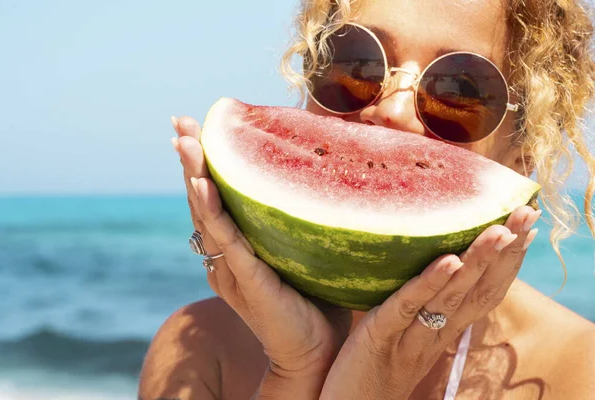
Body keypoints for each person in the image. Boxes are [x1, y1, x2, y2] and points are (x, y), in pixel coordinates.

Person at [139, 0, 595, 398]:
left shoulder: (577, 371)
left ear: (521, 158)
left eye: (461, 89)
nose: (391, 111)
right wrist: (296, 371)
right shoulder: (196, 352)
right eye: (357, 62)